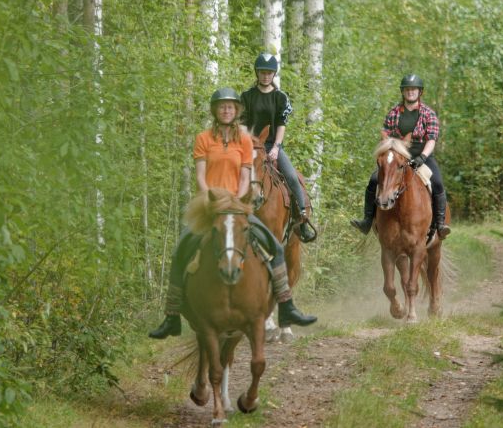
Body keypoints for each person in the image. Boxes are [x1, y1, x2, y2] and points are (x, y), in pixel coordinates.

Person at [149, 87, 316, 339]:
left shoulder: (245, 140)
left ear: (236, 111)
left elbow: (246, 174)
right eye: (221, 106)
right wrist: (211, 199)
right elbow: (200, 176)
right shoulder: (203, 138)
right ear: (215, 111)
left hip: (236, 206)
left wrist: (238, 201)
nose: (226, 110)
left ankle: (286, 307)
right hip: (211, 204)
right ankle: (171, 315)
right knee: (181, 246)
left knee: (277, 247)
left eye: (230, 107)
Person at [350, 74, 451, 239]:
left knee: (437, 183)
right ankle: (367, 220)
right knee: (374, 180)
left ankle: (440, 224)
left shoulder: (428, 114)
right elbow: (386, 137)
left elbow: (431, 140)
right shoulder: (393, 113)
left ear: (420, 92)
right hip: (397, 158)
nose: (410, 92)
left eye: (414, 89)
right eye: (407, 89)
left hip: (422, 156)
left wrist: (423, 157)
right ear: (403, 92)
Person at [240, 52, 316, 243]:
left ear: (274, 75)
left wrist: (276, 147)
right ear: (257, 73)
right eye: (262, 72)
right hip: (250, 146)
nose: (265, 75)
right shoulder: (246, 96)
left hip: (272, 145)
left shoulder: (280, 97)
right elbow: (242, 123)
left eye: (269, 73)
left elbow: (281, 124)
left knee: (292, 176)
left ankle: (302, 218)